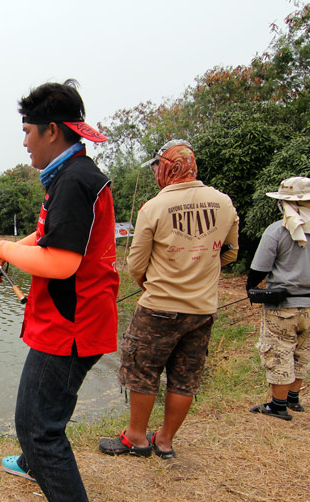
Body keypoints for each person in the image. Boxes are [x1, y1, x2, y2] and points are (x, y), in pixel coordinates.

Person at [0, 80, 119, 502]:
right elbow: (44, 241)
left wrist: (1, 248)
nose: (24, 142)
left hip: (72, 326)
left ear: (53, 131)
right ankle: (37, 465)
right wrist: (9, 252)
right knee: (35, 416)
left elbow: (62, 263)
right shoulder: (69, 175)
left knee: (40, 425)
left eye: (28, 131)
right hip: (68, 320)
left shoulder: (75, 182)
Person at [100, 139, 239, 459]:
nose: (154, 174)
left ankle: (136, 438)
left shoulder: (155, 207)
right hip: (202, 310)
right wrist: (202, 274)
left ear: (167, 167)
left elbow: (136, 264)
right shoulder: (224, 203)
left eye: (156, 167)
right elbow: (229, 252)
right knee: (184, 377)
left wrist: (151, 283)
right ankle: (164, 441)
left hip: (157, 309)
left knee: (142, 371)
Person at [246, 177, 310, 419]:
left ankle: (278, 405)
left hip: (283, 305)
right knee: (303, 352)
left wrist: (250, 289)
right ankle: (293, 399)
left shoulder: (278, 230)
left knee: (279, 351)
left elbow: (259, 268)